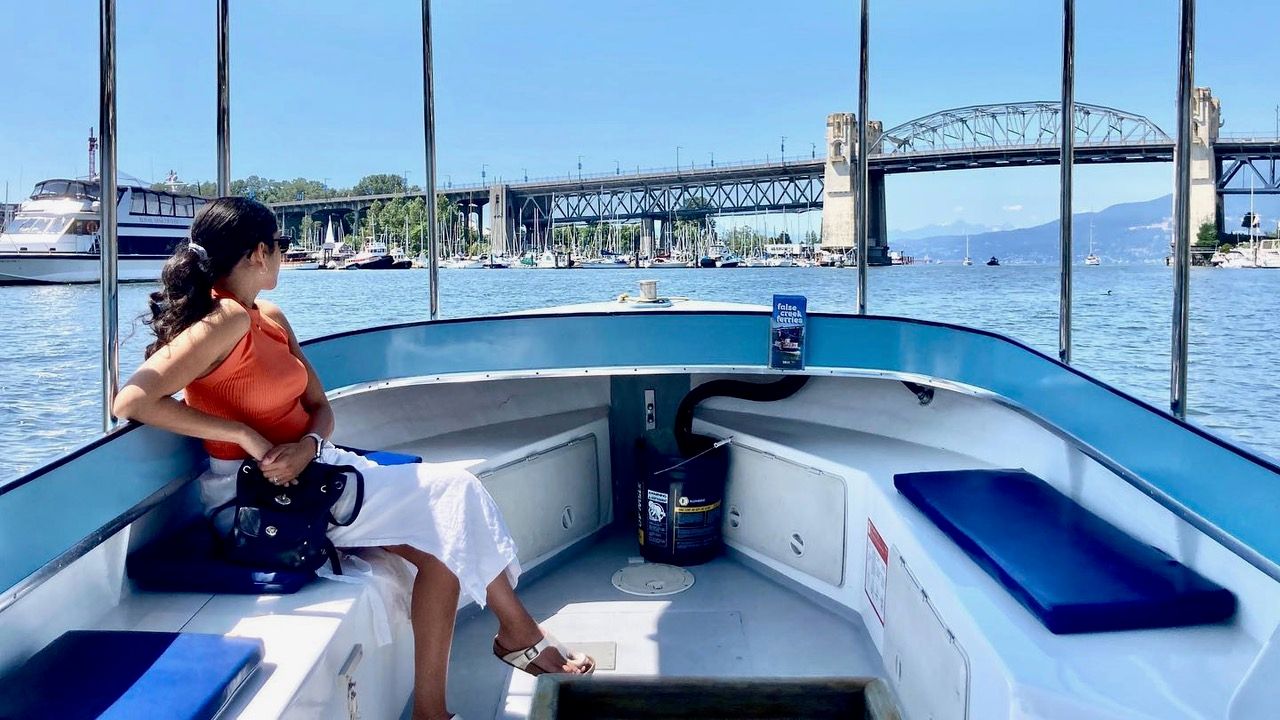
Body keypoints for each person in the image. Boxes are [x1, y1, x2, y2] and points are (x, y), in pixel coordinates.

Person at [113, 197, 592, 720]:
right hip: (258, 500)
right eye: (282, 246)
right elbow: (133, 400)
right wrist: (244, 434)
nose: (282, 257)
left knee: (444, 545)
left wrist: (309, 446)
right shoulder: (224, 318)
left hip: (313, 471)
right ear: (257, 253)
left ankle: (435, 708)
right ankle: (518, 634)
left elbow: (320, 407)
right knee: (457, 490)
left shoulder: (267, 317)